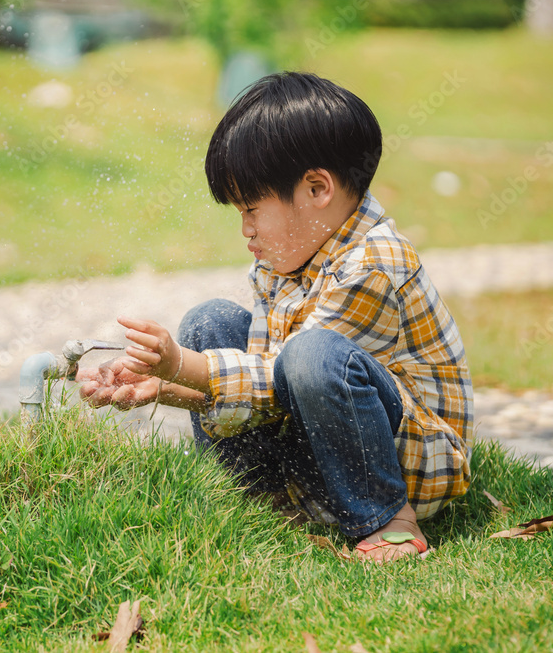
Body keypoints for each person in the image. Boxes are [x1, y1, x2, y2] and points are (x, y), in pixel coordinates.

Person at [77, 72, 473, 563]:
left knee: (311, 353)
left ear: (316, 188)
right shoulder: (288, 261)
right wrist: (163, 388)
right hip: (325, 442)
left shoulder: (373, 264)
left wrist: (182, 365)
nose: (245, 229)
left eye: (251, 209)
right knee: (211, 322)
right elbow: (267, 382)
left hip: (409, 462)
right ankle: (261, 498)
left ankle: (390, 519)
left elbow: (293, 369)